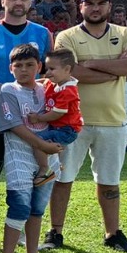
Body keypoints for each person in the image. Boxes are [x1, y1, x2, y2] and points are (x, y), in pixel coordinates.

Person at [43, 0, 127, 253]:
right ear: (81, 6)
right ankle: (56, 232)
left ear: (109, 6)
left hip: (113, 121)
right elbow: (70, 72)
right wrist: (114, 70)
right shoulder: (67, 36)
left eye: (101, 3)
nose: (96, 8)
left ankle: (112, 233)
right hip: (71, 122)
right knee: (62, 178)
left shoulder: (125, 33)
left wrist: (89, 64)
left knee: (109, 181)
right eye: (91, 3)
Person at [0, 0, 51, 242]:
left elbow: (50, 76)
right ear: (3, 1)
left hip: (32, 120)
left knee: (28, 177)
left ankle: (20, 231)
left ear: (30, 2)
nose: (19, 3)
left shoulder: (43, 34)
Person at [0, 45, 64, 253]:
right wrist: (42, 145)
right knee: (19, 207)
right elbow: (15, 125)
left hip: (50, 158)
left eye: (29, 65)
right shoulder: (8, 90)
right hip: (20, 157)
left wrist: (58, 142)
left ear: (39, 66)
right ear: (10, 68)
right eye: (19, 66)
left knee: (37, 209)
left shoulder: (50, 88)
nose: (24, 70)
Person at [28, 49, 82, 186]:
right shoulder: (55, 83)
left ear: (67, 69)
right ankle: (56, 166)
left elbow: (57, 113)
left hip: (66, 130)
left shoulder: (68, 91)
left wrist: (38, 118)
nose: (48, 72)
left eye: (52, 69)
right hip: (59, 127)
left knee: (38, 141)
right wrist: (29, 82)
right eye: (47, 68)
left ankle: (44, 170)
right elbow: (43, 81)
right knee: (44, 143)